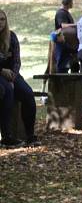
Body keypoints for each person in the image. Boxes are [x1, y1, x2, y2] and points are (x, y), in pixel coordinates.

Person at [0, 9, 38, 148]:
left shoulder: (11, 37)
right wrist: (2, 71)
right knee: (7, 92)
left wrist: (13, 76)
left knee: (28, 93)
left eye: (3, 19)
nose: (0, 22)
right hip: (1, 74)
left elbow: (17, 61)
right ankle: (7, 136)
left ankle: (30, 135)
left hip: (12, 74)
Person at [54, 0, 78, 74]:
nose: (73, 4)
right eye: (72, 2)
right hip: (62, 42)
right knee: (62, 65)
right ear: (68, 3)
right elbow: (63, 25)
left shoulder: (66, 13)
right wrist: (75, 25)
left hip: (69, 42)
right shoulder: (61, 13)